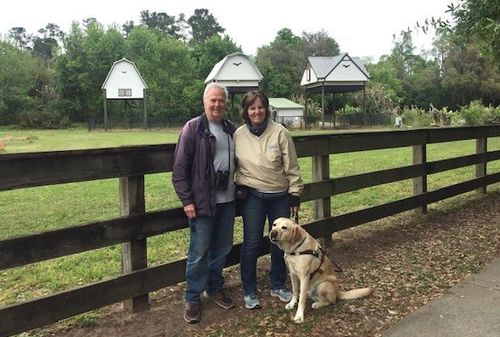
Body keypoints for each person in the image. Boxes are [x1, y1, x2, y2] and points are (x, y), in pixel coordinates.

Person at [172, 82, 236, 323]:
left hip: (227, 201)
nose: (217, 104)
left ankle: (214, 286)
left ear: (226, 104)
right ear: (204, 101)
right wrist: (187, 200)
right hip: (201, 203)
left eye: (221, 100)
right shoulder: (192, 129)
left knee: (222, 247)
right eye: (213, 100)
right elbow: (179, 171)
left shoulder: (230, 128)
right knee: (198, 252)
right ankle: (193, 297)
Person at [234, 90, 304, 309]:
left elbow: (292, 166)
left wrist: (295, 193)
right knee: (252, 243)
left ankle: (278, 285)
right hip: (252, 195)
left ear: (267, 109)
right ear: (246, 111)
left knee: (280, 243)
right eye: (252, 108)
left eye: (260, 107)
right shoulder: (238, 135)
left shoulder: (281, 133)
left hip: (279, 196)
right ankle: (250, 290)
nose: (257, 111)